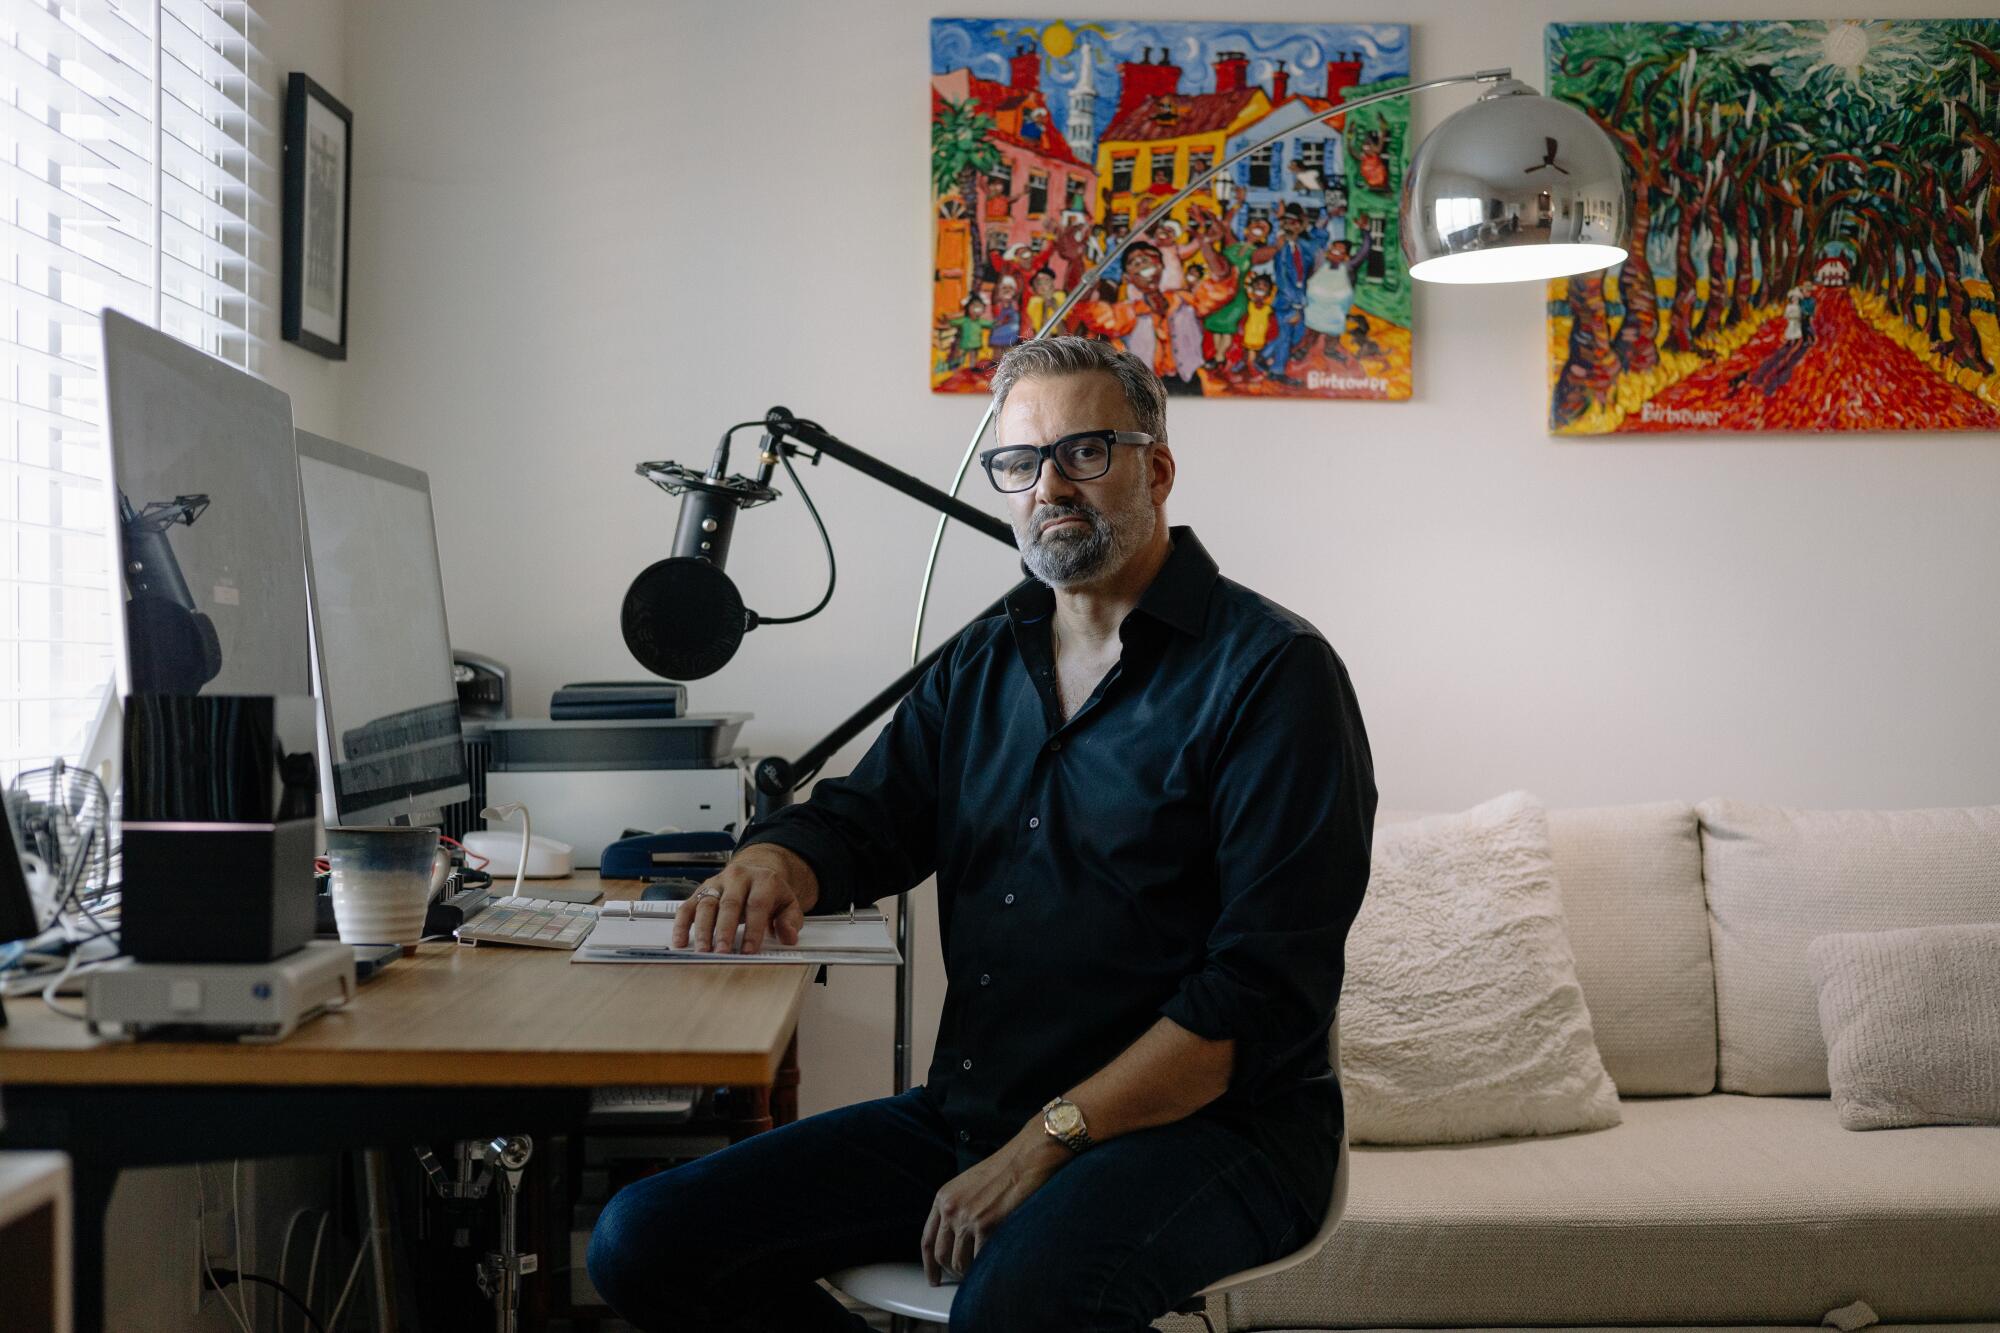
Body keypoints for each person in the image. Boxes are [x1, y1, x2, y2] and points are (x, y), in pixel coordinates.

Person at [586, 336, 1377, 1333]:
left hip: (1214, 1132)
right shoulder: (984, 658)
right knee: (643, 1241)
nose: (1049, 485)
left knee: (1018, 1305)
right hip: (977, 1113)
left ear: (1156, 468)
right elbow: (869, 817)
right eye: (1020, 463)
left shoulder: (1273, 675)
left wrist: (1047, 1142)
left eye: (1085, 452)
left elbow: (1254, 998)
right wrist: (775, 856)